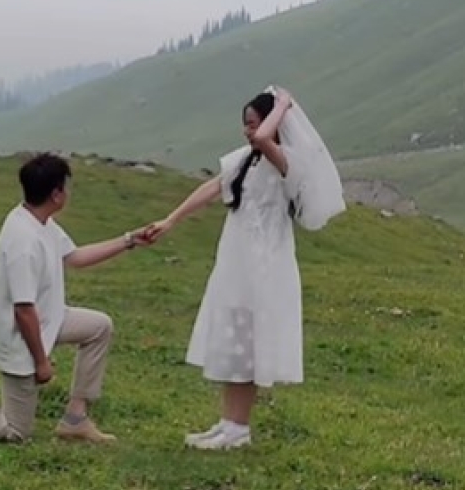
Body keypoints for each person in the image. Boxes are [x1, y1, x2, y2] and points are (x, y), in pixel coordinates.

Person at [147, 87, 343, 450]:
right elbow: (212, 188)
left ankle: (239, 428)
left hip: (265, 266)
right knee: (235, 338)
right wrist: (171, 220)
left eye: (252, 123)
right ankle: (228, 422)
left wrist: (282, 105)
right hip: (237, 260)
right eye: (246, 124)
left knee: (250, 342)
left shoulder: (287, 161)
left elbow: (266, 138)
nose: (248, 131)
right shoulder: (246, 161)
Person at [0, 153, 150, 445]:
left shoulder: (41, 222)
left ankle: (76, 420)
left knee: (99, 327)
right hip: (19, 336)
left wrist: (129, 240)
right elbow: (23, 310)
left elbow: (76, 257)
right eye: (66, 187)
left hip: (48, 319)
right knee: (15, 431)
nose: (68, 193)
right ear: (56, 194)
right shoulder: (24, 241)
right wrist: (41, 362)